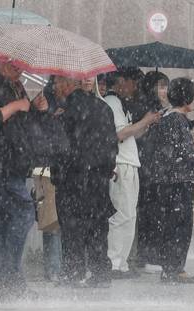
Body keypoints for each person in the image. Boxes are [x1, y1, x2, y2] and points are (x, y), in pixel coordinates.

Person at [0, 58, 49, 301]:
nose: (20, 70)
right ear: (1, 61)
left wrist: (34, 108)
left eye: (23, 67)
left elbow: (20, 124)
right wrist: (16, 106)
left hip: (13, 166)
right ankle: (9, 279)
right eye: (15, 66)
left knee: (1, 225)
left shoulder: (14, 85)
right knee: (22, 214)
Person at [143, 77, 194, 284]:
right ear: (189, 100)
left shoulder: (165, 117)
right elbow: (185, 152)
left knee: (169, 225)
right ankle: (175, 268)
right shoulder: (177, 120)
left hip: (163, 180)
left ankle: (170, 267)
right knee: (180, 225)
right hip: (177, 181)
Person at [51, 75, 118, 288]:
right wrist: (105, 171)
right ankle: (100, 272)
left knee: (72, 230)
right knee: (98, 229)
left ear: (70, 84)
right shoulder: (104, 109)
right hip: (97, 181)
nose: (55, 86)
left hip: (72, 180)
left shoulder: (65, 112)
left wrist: (58, 175)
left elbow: (59, 149)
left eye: (57, 82)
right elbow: (111, 147)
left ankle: (74, 271)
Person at [103, 70, 161, 279]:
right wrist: (145, 120)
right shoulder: (111, 102)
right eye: (133, 83)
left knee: (129, 216)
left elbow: (131, 133)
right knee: (122, 215)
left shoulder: (120, 103)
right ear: (122, 82)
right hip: (121, 163)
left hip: (130, 161)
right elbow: (119, 134)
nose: (135, 88)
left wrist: (148, 123)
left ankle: (121, 262)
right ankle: (114, 263)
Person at [135, 71, 170, 272]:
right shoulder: (146, 109)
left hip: (157, 167)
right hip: (147, 166)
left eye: (165, 86)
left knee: (156, 213)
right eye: (159, 86)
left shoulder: (162, 109)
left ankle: (152, 253)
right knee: (149, 213)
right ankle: (147, 254)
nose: (163, 91)